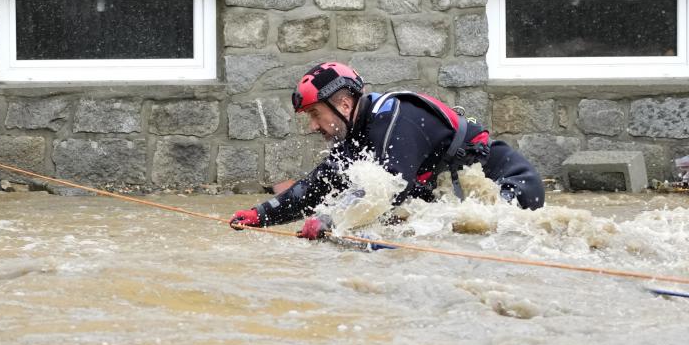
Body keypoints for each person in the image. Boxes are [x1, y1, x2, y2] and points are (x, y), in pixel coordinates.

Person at [231, 61, 545, 238]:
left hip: (515, 187)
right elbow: (315, 188)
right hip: (463, 195)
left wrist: (329, 219)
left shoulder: (395, 118)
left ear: (344, 104)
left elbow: (389, 188)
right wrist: (260, 215)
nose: (313, 125)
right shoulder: (357, 135)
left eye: (315, 114)